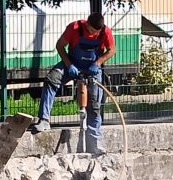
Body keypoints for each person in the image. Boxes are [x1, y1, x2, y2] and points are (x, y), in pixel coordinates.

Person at [30, 12, 116, 154]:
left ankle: (94, 142)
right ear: (87, 24)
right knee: (51, 80)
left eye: (97, 31)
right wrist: (69, 64)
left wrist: (98, 63)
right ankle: (44, 120)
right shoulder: (74, 28)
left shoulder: (105, 32)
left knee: (94, 104)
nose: (95, 33)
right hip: (72, 64)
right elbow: (59, 46)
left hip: (93, 68)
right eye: (93, 30)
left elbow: (112, 50)